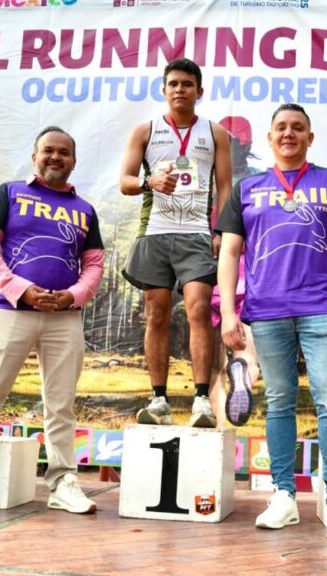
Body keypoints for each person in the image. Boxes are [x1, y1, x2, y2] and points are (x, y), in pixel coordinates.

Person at [216, 103, 327, 541]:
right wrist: (228, 313)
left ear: (310, 137)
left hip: (324, 309)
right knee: (280, 400)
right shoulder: (247, 188)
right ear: (269, 138)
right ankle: (284, 495)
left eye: (297, 128)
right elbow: (230, 251)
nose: (288, 134)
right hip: (267, 311)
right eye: (281, 127)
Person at [0, 126, 104, 516]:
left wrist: (74, 296)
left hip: (65, 318)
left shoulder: (85, 210)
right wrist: (21, 290)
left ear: (74, 161)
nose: (55, 157)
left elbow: (94, 264)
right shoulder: (9, 193)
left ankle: (63, 484)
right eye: (48, 150)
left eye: (63, 152)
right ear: (34, 156)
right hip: (11, 311)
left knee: (61, 406)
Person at [119, 58, 232, 428]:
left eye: (187, 84)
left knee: (198, 309)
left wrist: (221, 231)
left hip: (197, 233)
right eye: (173, 84)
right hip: (155, 231)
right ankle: (159, 401)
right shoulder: (145, 131)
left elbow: (225, 187)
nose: (180, 90)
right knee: (156, 313)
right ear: (164, 90)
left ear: (200, 91)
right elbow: (125, 181)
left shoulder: (215, 133)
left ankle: (201, 401)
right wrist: (149, 182)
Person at [210, 115, 262, 427]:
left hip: (210, 271)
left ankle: (215, 421)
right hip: (248, 273)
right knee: (247, 351)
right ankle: (246, 374)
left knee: (212, 361)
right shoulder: (260, 181)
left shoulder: (207, 181)